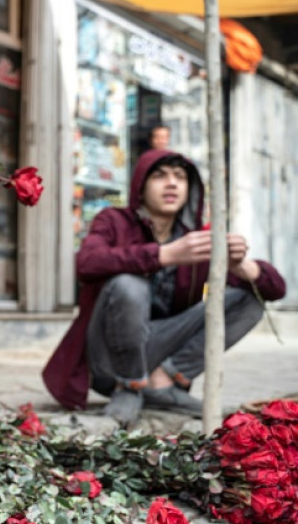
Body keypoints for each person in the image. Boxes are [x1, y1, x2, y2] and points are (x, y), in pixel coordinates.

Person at [42, 149, 286, 425]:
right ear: (140, 186)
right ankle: (129, 385)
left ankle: (164, 382)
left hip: (159, 350)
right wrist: (164, 254)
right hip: (109, 355)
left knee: (249, 299)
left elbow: (276, 289)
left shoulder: (196, 239)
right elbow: (86, 262)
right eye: (160, 176)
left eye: (180, 177)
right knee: (128, 284)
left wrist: (242, 265)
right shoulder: (113, 220)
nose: (171, 183)